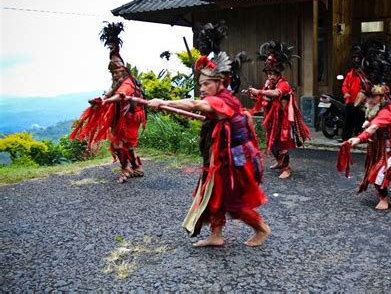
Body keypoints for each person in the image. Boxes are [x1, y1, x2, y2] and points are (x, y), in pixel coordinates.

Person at [148, 52, 270, 247]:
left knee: (233, 202)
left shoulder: (221, 100)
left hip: (234, 161)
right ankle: (216, 235)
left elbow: (195, 104)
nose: (202, 88)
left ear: (220, 83)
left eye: (207, 84)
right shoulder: (221, 98)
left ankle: (261, 229)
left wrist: (163, 102)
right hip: (221, 158)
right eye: (201, 84)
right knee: (214, 195)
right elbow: (203, 108)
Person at [71, 22, 146, 183]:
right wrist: (101, 100)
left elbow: (119, 96)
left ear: (124, 71)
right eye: (112, 72)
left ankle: (128, 168)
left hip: (132, 116)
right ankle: (135, 167)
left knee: (120, 143)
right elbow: (112, 93)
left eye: (117, 72)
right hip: (123, 116)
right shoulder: (118, 82)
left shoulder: (127, 83)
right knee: (123, 144)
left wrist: (105, 103)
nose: (114, 75)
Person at [243, 41, 311, 179]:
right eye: (269, 73)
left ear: (279, 73)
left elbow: (275, 94)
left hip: (283, 119)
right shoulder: (268, 84)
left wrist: (259, 92)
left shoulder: (283, 84)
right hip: (270, 117)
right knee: (272, 142)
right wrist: (253, 95)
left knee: (282, 144)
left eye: (274, 74)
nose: (271, 76)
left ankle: (287, 168)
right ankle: (279, 162)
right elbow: (265, 100)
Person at [343, 84, 391, 210]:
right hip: (382, 146)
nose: (369, 100)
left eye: (373, 97)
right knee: (382, 170)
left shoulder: (385, 112)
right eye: (368, 97)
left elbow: (374, 127)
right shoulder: (375, 108)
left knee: (377, 173)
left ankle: (384, 200)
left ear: (381, 97)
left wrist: (359, 138)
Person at [340, 50, 366, 141]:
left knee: (360, 120)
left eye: (358, 58)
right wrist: (346, 92)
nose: (356, 59)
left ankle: (360, 137)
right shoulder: (350, 74)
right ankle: (345, 137)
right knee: (348, 120)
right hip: (350, 101)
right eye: (355, 58)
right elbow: (345, 85)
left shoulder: (364, 74)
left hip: (361, 102)